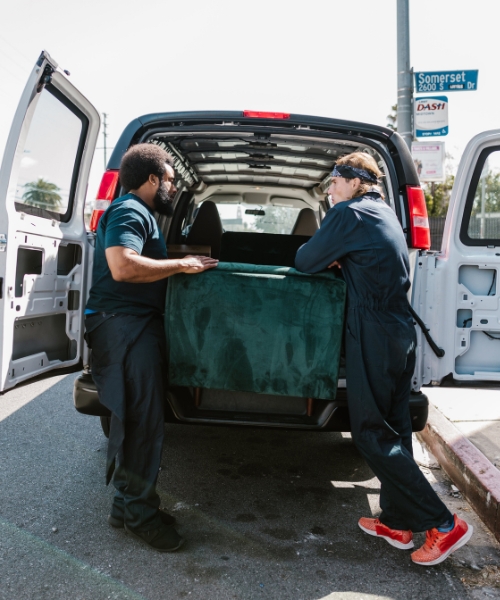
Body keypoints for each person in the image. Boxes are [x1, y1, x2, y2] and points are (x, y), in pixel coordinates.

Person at [295, 152, 472, 566]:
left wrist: (331, 254)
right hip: (399, 333)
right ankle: (397, 521)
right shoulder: (386, 213)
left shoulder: (349, 214)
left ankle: (444, 525)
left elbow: (304, 260)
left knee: (372, 434)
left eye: (334, 181)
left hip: (372, 333)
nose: (330, 190)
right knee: (394, 430)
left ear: (355, 181)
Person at [85, 143, 218, 552]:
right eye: (172, 180)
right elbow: (123, 265)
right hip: (123, 328)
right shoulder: (129, 210)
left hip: (131, 327)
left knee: (136, 421)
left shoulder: (141, 212)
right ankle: (140, 517)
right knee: (142, 424)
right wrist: (182, 264)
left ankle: (127, 508)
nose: (175, 187)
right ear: (153, 178)